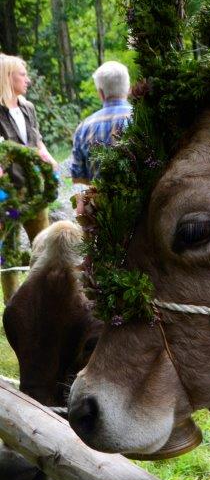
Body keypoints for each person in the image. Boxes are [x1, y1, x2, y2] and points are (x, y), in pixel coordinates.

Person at [0, 55, 58, 301]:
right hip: (7, 196)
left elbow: (37, 141)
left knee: (44, 246)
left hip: (35, 190)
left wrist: (50, 159)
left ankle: (47, 299)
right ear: (7, 77)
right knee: (9, 252)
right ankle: (12, 305)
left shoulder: (28, 108)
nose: (28, 79)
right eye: (22, 74)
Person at [71, 61, 132, 184]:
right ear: (128, 89)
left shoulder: (83, 128)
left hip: (99, 196)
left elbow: (77, 178)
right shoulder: (142, 118)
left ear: (101, 93)